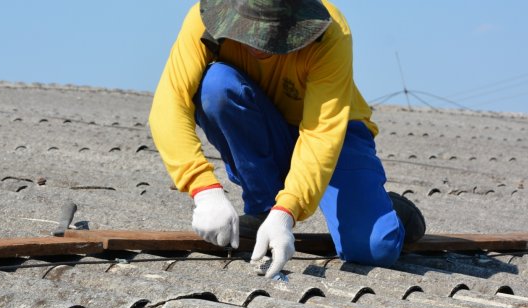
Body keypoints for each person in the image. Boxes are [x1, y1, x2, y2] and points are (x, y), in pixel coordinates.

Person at [149, 0, 425, 279]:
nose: (258, 45)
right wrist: (204, 189)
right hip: (266, 123)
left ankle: (390, 213)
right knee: (216, 86)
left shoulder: (330, 31)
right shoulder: (204, 19)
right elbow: (169, 105)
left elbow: (320, 134)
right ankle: (263, 207)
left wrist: (286, 213)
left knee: (374, 249)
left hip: (336, 135)